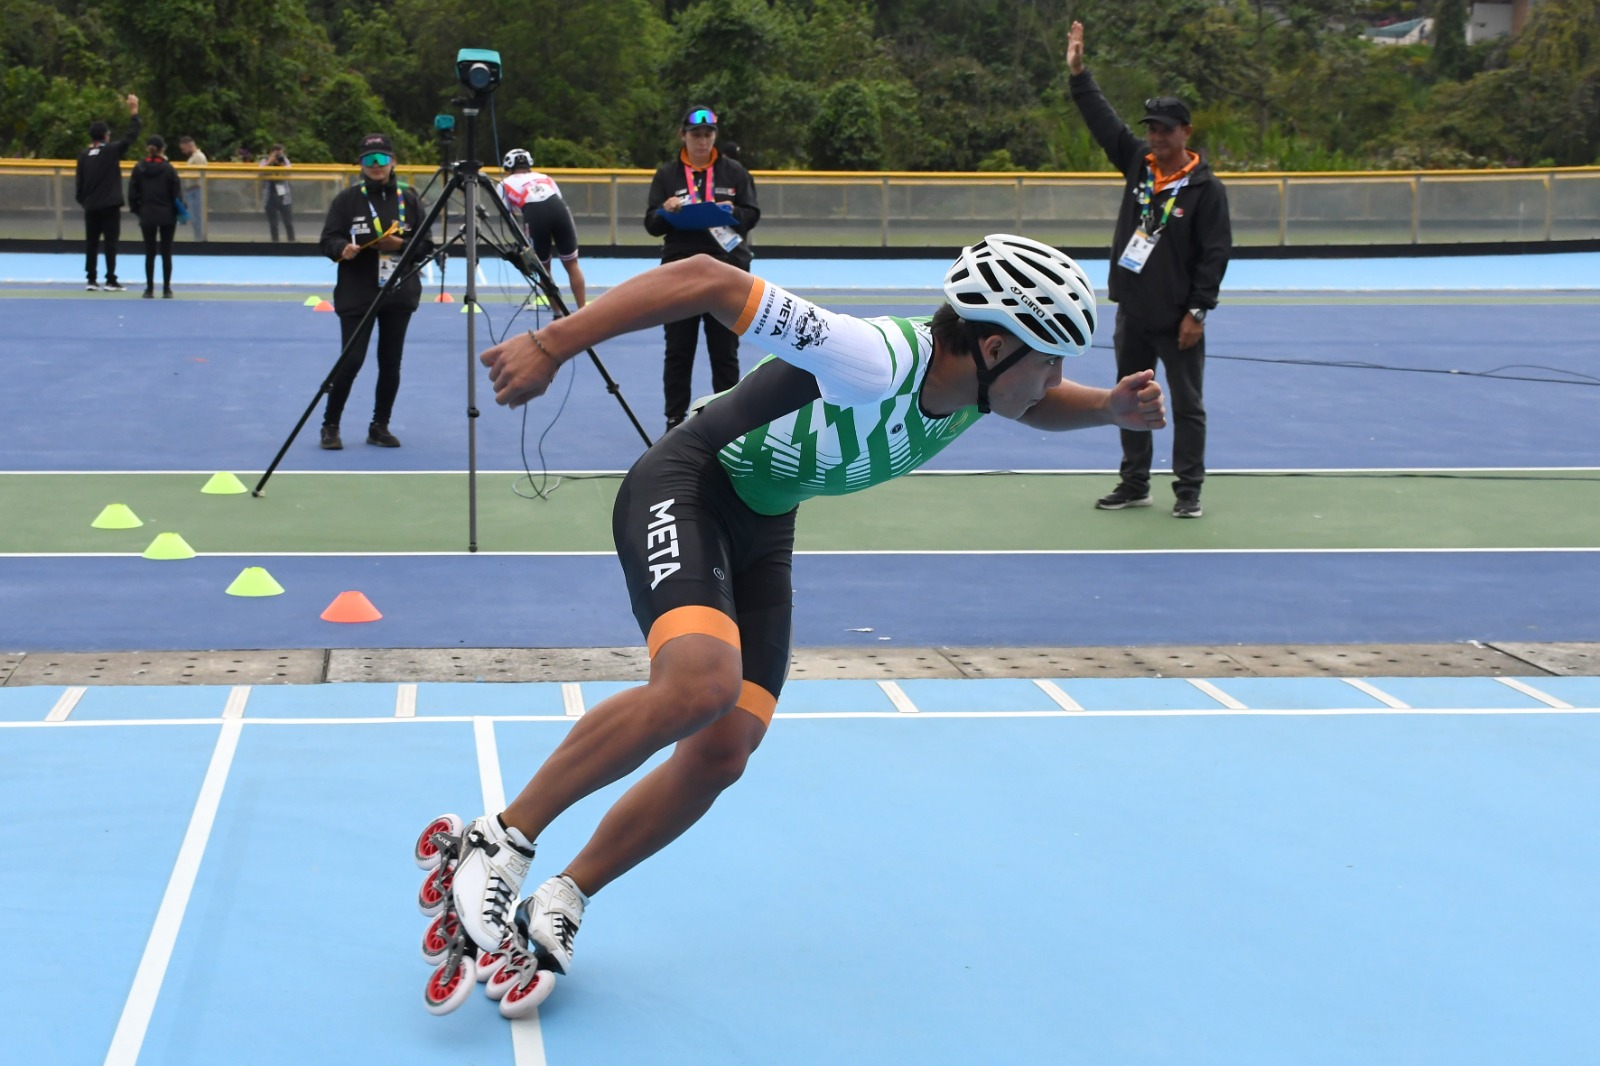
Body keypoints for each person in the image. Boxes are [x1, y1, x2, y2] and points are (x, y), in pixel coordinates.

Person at [422, 235, 1167, 1018]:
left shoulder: (981, 384)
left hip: (764, 523)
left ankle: (565, 894)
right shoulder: (874, 357)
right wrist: (552, 341)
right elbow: (708, 279)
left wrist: (1108, 410)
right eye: (1049, 360)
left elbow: (1035, 400)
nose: (1056, 380)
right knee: (699, 685)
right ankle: (499, 839)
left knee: (723, 749)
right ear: (990, 345)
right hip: (692, 483)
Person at [1067, 20, 1231, 519]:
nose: (1155, 137)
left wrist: (1198, 312)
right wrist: (1079, 74)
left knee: (1186, 407)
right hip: (1134, 314)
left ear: (1186, 132)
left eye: (1164, 129)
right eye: (1151, 129)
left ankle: (1188, 491)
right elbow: (1103, 121)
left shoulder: (1206, 190)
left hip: (1179, 320)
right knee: (1131, 401)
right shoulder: (1140, 164)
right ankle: (1134, 482)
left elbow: (1215, 253)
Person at [643, 105, 760, 431]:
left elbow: (752, 214)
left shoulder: (734, 172)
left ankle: (729, 422)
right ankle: (674, 419)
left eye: (708, 134)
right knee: (678, 350)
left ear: (715, 137)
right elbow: (651, 224)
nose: (702, 141)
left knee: (725, 352)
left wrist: (731, 210)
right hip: (679, 273)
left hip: (725, 271)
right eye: (696, 134)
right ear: (683, 135)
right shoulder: (667, 175)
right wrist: (665, 211)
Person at [316, 133, 432, 449]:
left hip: (398, 292)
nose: (377, 165)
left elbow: (426, 245)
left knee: (390, 363)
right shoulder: (346, 200)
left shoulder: (409, 198)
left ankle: (379, 426)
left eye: (382, 159)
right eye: (370, 160)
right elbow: (327, 240)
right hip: (358, 293)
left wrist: (402, 245)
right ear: (361, 165)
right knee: (351, 360)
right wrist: (343, 248)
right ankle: (330, 425)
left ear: (393, 161)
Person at [498, 148, 587, 308]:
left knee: (544, 270)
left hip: (535, 213)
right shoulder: (544, 177)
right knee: (572, 265)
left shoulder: (505, 183)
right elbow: (558, 197)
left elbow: (508, 216)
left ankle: (558, 315)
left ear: (509, 168)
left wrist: (521, 242)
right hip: (559, 208)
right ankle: (583, 310)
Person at [74, 94, 141, 292]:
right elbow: (132, 135)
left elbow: (79, 183)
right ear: (105, 135)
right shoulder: (111, 151)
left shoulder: (83, 155)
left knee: (91, 243)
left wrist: (84, 201)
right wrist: (134, 111)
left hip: (91, 206)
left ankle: (91, 279)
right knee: (111, 243)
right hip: (110, 205)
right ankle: (111, 279)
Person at [126, 135, 182, 298]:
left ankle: (149, 289)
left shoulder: (139, 168)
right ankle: (166, 289)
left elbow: (132, 194)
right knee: (166, 252)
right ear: (162, 149)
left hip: (147, 213)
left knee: (150, 252)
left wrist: (138, 210)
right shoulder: (169, 169)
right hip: (167, 214)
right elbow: (176, 194)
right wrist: (178, 211)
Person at [261, 143, 295, 242]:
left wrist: (280, 164)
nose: (279, 156)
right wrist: (269, 162)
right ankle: (275, 243)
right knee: (273, 223)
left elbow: (288, 172)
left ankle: (291, 242)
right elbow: (260, 172)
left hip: (284, 196)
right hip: (270, 195)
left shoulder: (285, 161)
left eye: (280, 154)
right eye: (276, 154)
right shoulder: (264, 161)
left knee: (288, 221)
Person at [177, 135, 207, 241]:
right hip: (192, 191)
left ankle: (200, 239)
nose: (183, 151)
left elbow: (200, 174)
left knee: (197, 217)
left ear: (189, 145)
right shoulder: (192, 157)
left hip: (196, 190)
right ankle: (197, 238)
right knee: (194, 218)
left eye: (184, 148)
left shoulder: (198, 157)